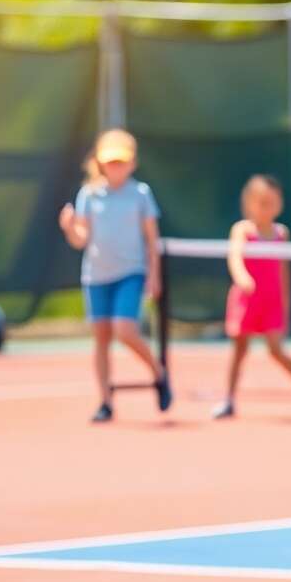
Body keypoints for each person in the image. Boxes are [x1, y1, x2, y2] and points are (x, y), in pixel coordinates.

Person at [58, 129, 171, 422]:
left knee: (125, 330)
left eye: (121, 162)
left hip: (130, 272)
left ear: (132, 163)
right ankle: (106, 401)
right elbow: (81, 238)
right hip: (96, 276)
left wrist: (154, 275)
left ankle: (158, 372)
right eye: (111, 162)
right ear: (100, 163)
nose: (116, 168)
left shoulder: (141, 194)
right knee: (102, 338)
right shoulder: (89, 194)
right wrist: (70, 227)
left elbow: (151, 239)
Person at [217, 175, 291, 420]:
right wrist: (242, 277)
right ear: (249, 203)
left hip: (271, 302)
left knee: (276, 349)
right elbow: (234, 256)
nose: (266, 208)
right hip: (246, 301)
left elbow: (282, 269)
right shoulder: (242, 230)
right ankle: (229, 399)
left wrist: (284, 303)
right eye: (261, 202)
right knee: (239, 350)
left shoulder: (280, 233)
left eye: (272, 202)